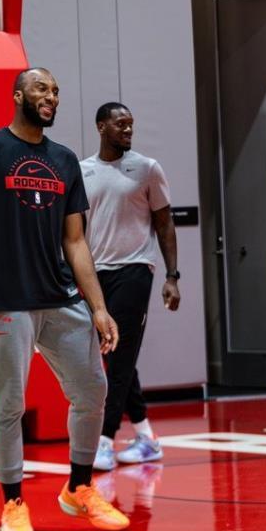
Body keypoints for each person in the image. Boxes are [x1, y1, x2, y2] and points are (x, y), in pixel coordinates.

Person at [0, 68, 130, 531]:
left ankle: (79, 489)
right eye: (42, 88)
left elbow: (76, 241)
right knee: (9, 405)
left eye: (56, 91)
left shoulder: (63, 160)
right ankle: (13, 503)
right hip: (6, 300)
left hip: (61, 298)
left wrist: (98, 306)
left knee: (92, 391)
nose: (52, 96)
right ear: (18, 95)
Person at [81, 102, 180, 471]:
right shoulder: (83, 171)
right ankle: (145, 436)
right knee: (115, 356)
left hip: (135, 270)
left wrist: (172, 276)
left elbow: (165, 223)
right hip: (96, 275)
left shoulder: (147, 169)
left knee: (120, 355)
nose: (127, 130)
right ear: (101, 127)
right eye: (120, 124)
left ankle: (105, 441)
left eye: (131, 124)